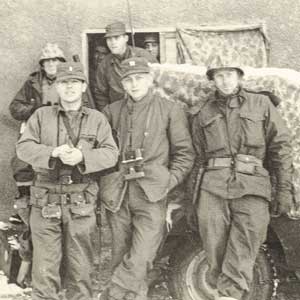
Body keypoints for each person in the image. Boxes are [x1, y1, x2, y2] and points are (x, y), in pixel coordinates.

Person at [190, 56, 293, 300]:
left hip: (252, 186)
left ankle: (230, 294)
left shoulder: (262, 104)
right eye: (219, 75)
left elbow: (281, 147)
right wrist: (190, 200)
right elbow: (195, 158)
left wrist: (284, 190)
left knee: (245, 242)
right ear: (213, 80)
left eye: (230, 74)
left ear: (240, 76)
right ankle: (224, 288)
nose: (225, 80)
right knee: (213, 245)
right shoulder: (202, 112)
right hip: (213, 186)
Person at [16, 62, 119, 300]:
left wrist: (83, 156)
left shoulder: (97, 119)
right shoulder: (41, 116)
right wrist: (52, 152)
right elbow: (23, 148)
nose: (69, 87)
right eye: (64, 82)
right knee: (45, 269)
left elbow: (111, 154)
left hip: (81, 203)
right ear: (56, 88)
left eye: (75, 82)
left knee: (81, 269)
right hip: (45, 203)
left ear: (83, 87)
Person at [99, 56, 195, 300]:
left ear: (150, 79)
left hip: (152, 193)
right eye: (128, 80)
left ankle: (112, 293)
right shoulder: (111, 112)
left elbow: (184, 154)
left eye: (139, 78)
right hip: (118, 194)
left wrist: (168, 181)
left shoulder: (169, 109)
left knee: (142, 255)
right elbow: (99, 151)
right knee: (120, 252)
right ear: (122, 84)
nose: (134, 84)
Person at [10, 43, 66, 212]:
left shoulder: (70, 80)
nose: (51, 64)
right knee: (22, 162)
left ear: (61, 62)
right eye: (47, 61)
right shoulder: (32, 82)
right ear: (42, 64)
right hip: (36, 126)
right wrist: (33, 109)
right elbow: (15, 108)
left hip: (62, 126)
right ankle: (25, 202)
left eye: (55, 60)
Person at [94, 21, 158, 111]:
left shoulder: (144, 56)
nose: (112, 42)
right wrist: (108, 115)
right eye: (109, 39)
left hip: (146, 110)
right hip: (119, 113)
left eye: (116, 38)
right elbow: (100, 94)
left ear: (126, 38)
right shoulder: (105, 64)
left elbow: (158, 85)